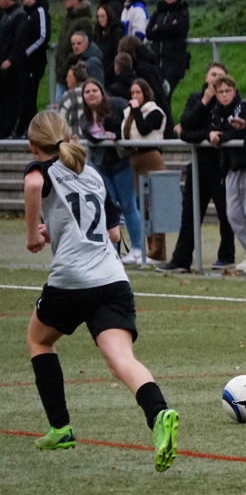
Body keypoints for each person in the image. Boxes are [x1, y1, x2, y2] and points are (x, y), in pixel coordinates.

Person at [22, 110, 178, 472]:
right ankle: (159, 414)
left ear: (33, 146)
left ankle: (60, 427)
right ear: (67, 137)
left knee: (38, 340)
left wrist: (32, 235)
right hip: (112, 278)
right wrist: (55, 232)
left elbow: (32, 185)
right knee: (122, 360)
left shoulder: (41, 169)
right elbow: (112, 234)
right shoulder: (91, 173)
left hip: (72, 280)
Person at [157, 62, 236, 273]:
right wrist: (205, 130)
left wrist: (200, 133)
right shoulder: (196, 99)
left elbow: (225, 130)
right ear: (206, 77)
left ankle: (226, 256)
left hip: (220, 165)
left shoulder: (229, 101)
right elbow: (186, 126)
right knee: (190, 214)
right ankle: (181, 260)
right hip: (198, 164)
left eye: (220, 75)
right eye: (213, 74)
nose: (216, 78)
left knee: (225, 213)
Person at [81, 77, 143, 264]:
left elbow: (129, 124)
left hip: (122, 163)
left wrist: (114, 135)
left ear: (102, 92)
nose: (91, 94)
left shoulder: (116, 104)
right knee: (107, 208)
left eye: (94, 90)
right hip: (100, 165)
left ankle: (138, 249)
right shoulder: (84, 117)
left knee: (128, 206)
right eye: (87, 92)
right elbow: (92, 137)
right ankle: (111, 250)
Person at [208, 74, 246, 273]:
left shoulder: (242, 106)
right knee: (233, 213)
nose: (224, 95)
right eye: (220, 92)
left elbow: (237, 130)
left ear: (234, 91)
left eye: (228, 91)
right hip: (231, 166)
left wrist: (221, 137)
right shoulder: (215, 111)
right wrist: (210, 134)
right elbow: (211, 129)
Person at [122, 77, 168, 263]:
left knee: (155, 205)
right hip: (136, 160)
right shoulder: (129, 113)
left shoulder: (155, 112)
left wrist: (135, 110)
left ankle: (159, 251)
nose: (134, 96)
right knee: (144, 207)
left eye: (138, 92)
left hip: (151, 158)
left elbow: (143, 130)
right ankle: (150, 249)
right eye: (132, 93)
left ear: (145, 93)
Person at [5, 0, 50, 140]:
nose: (26, 1)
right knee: (25, 97)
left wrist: (26, 52)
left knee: (28, 97)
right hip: (23, 64)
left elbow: (42, 37)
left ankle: (23, 130)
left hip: (33, 64)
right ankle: (29, 129)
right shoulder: (26, 15)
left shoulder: (40, 12)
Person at [146, 0, 190, 95]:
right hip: (157, 61)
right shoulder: (158, 12)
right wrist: (167, 28)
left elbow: (178, 29)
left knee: (165, 94)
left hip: (174, 63)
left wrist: (158, 29)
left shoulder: (182, 11)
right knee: (157, 95)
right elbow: (149, 33)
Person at [53, 0, 92, 102]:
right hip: (62, 72)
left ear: (75, 0)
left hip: (73, 72)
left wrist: (68, 61)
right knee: (59, 102)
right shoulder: (67, 19)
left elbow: (82, 48)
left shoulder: (84, 21)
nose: (64, 1)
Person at [0, 0, 27, 138]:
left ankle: (8, 129)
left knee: (11, 99)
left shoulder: (19, 15)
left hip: (11, 66)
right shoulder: (6, 15)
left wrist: (10, 59)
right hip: (3, 62)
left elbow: (19, 40)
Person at [93, 2, 124, 85]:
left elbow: (116, 53)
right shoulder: (97, 32)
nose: (100, 19)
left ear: (109, 16)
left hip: (110, 72)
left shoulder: (117, 32)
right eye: (98, 16)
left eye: (103, 16)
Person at [57, 61, 89, 138]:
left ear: (76, 79)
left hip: (73, 138)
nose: (66, 79)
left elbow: (61, 119)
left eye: (69, 77)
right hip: (90, 138)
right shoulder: (91, 93)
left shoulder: (69, 95)